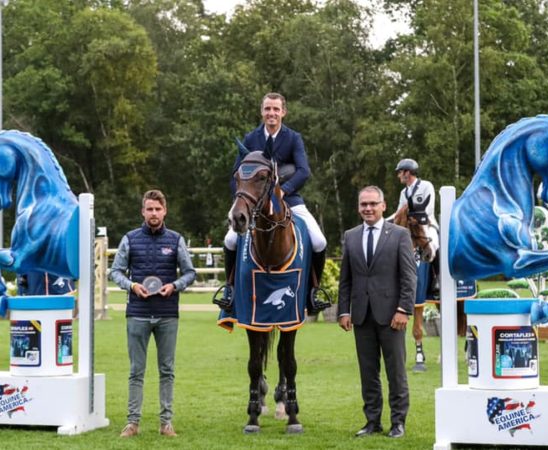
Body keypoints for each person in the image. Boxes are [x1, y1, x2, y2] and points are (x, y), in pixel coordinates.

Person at [218, 92, 328, 311]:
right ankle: (229, 290)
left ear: (283, 112)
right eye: (268, 109)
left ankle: (312, 292)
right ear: (262, 111)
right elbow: (236, 174)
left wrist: (283, 192)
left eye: (276, 109)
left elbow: (303, 171)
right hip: (255, 202)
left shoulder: (293, 138)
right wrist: (242, 200)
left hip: (288, 199)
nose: (272, 113)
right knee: (230, 240)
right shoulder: (250, 139)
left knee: (319, 241)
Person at [109, 189, 196, 438]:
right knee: (136, 371)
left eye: (158, 209)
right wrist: (132, 286)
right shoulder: (130, 239)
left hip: (168, 314)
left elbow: (189, 272)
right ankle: (132, 423)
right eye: (150, 209)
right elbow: (115, 272)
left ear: (165, 211)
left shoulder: (176, 240)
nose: (154, 213)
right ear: (143, 211)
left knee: (166, 370)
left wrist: (175, 286)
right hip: (137, 313)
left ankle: (166, 423)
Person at [338, 185, 416, 439]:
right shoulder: (350, 236)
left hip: (392, 316)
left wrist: (403, 309)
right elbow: (346, 279)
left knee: (396, 372)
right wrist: (343, 311)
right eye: (364, 204)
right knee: (368, 373)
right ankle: (372, 422)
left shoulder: (400, 235)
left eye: (373, 204)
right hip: (361, 315)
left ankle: (398, 423)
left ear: (384, 206)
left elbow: (409, 276)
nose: (368, 208)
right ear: (358, 207)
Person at [389, 158, 439, 368]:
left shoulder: (425, 186)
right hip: (407, 227)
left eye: (400, 172)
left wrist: (404, 213)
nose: (399, 176)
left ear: (407, 173)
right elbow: (399, 211)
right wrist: (386, 220)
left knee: (435, 246)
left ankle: (436, 282)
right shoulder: (403, 193)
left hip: (426, 225)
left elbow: (424, 210)